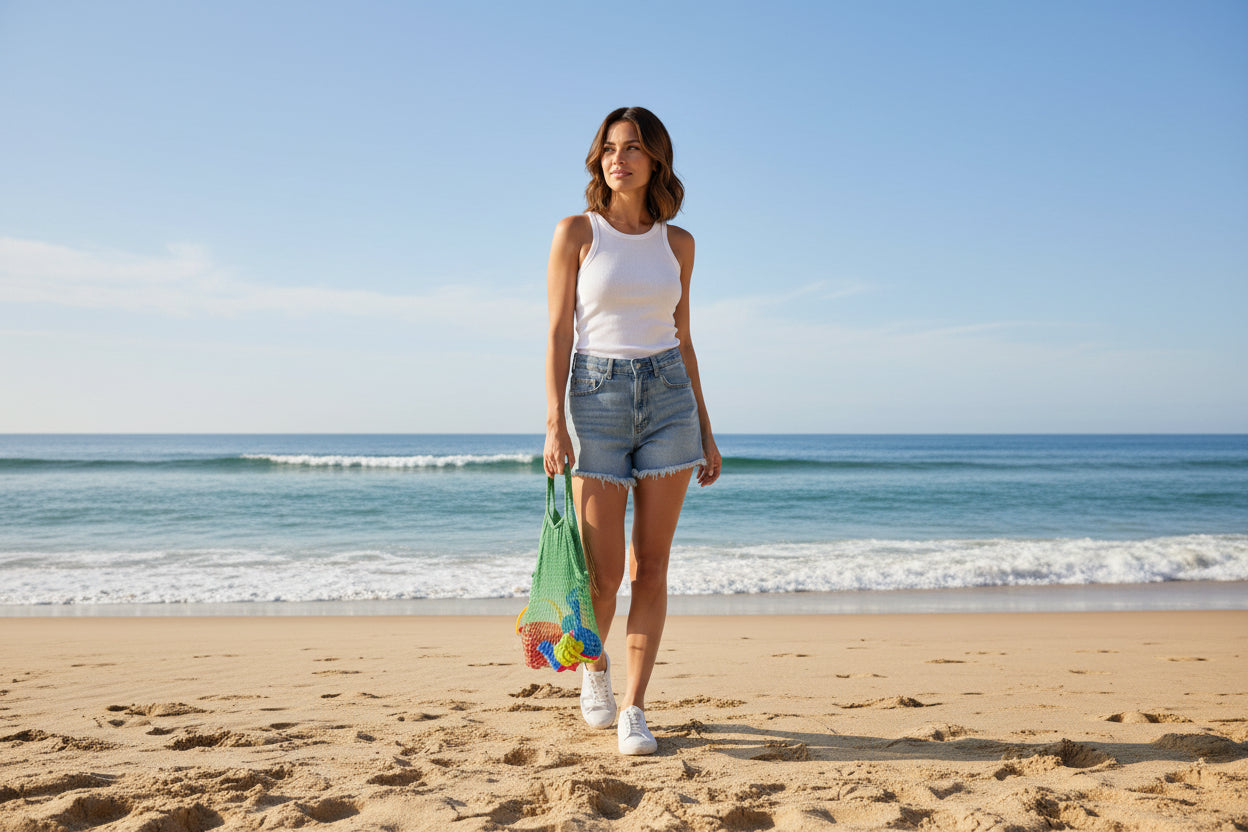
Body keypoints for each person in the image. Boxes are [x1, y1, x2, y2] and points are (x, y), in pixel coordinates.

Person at [543, 107, 721, 756]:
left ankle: (634, 710)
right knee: (602, 574)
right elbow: (560, 332)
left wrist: (706, 425)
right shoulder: (576, 233)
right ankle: (594, 668)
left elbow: (685, 337)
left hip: (670, 397)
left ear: (656, 162)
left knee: (653, 566)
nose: (619, 158)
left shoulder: (679, 245)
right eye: (610, 149)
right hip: (597, 398)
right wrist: (553, 424)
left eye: (633, 149)